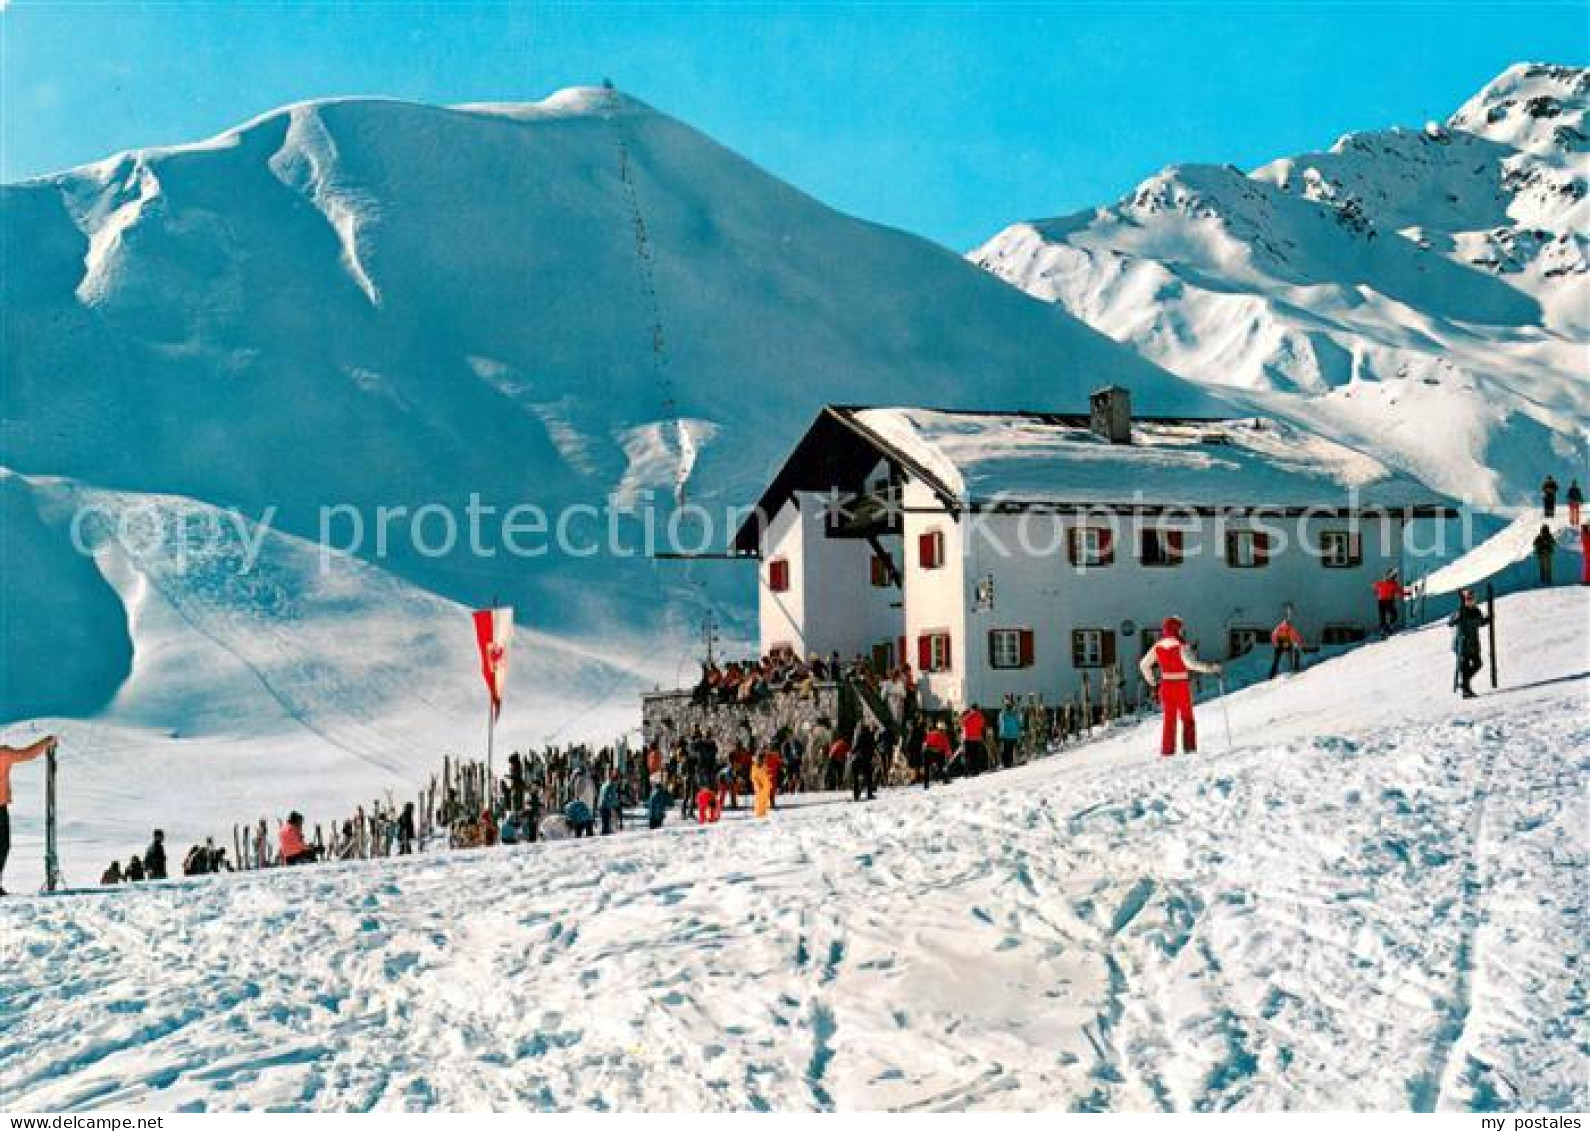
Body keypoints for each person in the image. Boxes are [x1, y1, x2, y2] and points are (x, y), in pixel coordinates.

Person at [1138, 616, 1222, 758]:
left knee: (1169, 720)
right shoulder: (1181, 645)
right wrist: (1211, 668)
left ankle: (1167, 752)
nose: (1182, 631)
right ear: (1176, 628)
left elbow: (1143, 664)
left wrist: (1152, 681)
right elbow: (1192, 664)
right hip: (1181, 686)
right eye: (1181, 628)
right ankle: (1189, 750)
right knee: (1187, 718)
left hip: (1165, 686)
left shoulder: (1157, 646)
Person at [0, 734, 55, 896]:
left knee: (3, 846)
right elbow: (28, 754)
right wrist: (47, 742)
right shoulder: (4, 753)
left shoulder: (4, 753)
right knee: (3, 846)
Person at [1449, 588, 1490, 699]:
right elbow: (1450, 622)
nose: (1470, 601)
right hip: (1462, 644)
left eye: (1472, 599)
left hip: (1473, 644)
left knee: (1478, 664)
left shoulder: (1476, 611)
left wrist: (1487, 620)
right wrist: (1455, 619)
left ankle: (1464, 684)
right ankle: (1466, 691)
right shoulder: (1460, 611)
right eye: (1468, 599)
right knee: (1465, 667)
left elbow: (1479, 622)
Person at [849, 724, 877, 802]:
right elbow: (873, 748)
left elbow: (857, 746)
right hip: (867, 760)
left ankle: (856, 795)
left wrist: (852, 752)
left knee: (855, 778)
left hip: (858, 759)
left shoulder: (861, 736)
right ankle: (869, 794)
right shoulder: (871, 737)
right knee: (868, 777)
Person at [1373, 570, 1405, 637]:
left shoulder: (1393, 583)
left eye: (1394, 576)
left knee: (1392, 615)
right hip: (1384, 601)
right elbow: (1375, 586)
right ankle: (1384, 630)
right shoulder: (1385, 583)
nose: (1395, 577)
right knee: (1384, 616)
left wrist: (1407, 593)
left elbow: (1399, 591)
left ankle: (1387, 627)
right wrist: (1376, 591)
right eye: (1394, 576)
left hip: (1387, 601)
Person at [959, 704, 988, 776]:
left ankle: (967, 771)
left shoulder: (968, 716)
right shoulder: (980, 716)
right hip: (977, 738)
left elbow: (962, 722)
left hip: (968, 738)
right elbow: (982, 725)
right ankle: (975, 771)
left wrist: (968, 715)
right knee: (975, 755)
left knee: (968, 755)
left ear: (971, 709)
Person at [921, 723, 951, 789]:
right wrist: (949, 755)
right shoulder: (943, 736)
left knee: (926, 769)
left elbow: (925, 744)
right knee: (941, 766)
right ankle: (945, 779)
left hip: (927, 752)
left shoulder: (930, 734)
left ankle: (926, 784)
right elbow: (945, 747)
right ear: (943, 729)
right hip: (937, 753)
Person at [997, 695, 1023, 768]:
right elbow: (1019, 721)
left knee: (1006, 750)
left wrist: (1006, 702)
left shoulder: (1004, 714)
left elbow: (1000, 721)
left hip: (1006, 735)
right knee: (1009, 749)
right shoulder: (1013, 715)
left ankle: (1007, 763)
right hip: (1012, 735)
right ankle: (1008, 762)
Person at [597, 771, 625, 835]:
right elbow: (611, 797)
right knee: (606, 826)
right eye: (619, 779)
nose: (619, 781)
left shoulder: (606, 783)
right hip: (605, 806)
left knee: (605, 824)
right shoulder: (611, 785)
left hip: (602, 805)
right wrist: (617, 804)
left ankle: (604, 837)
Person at [751, 752, 773, 818]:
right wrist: (757, 783)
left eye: (764, 759)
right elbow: (753, 777)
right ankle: (759, 813)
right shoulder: (754, 767)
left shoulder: (764, 765)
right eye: (762, 759)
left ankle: (763, 813)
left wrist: (769, 777)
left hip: (766, 786)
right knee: (759, 800)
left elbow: (767, 773)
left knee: (765, 800)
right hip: (759, 787)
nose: (764, 760)